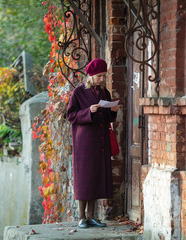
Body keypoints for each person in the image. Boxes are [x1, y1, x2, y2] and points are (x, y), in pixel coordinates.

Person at [66, 58, 120, 228]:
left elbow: (107, 118)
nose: (102, 79)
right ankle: (82, 218)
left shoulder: (105, 93)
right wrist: (87, 111)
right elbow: (71, 115)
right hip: (84, 143)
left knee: (96, 177)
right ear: (90, 76)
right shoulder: (79, 92)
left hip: (100, 141)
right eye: (99, 76)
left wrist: (112, 111)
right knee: (84, 179)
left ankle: (91, 217)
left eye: (104, 76)